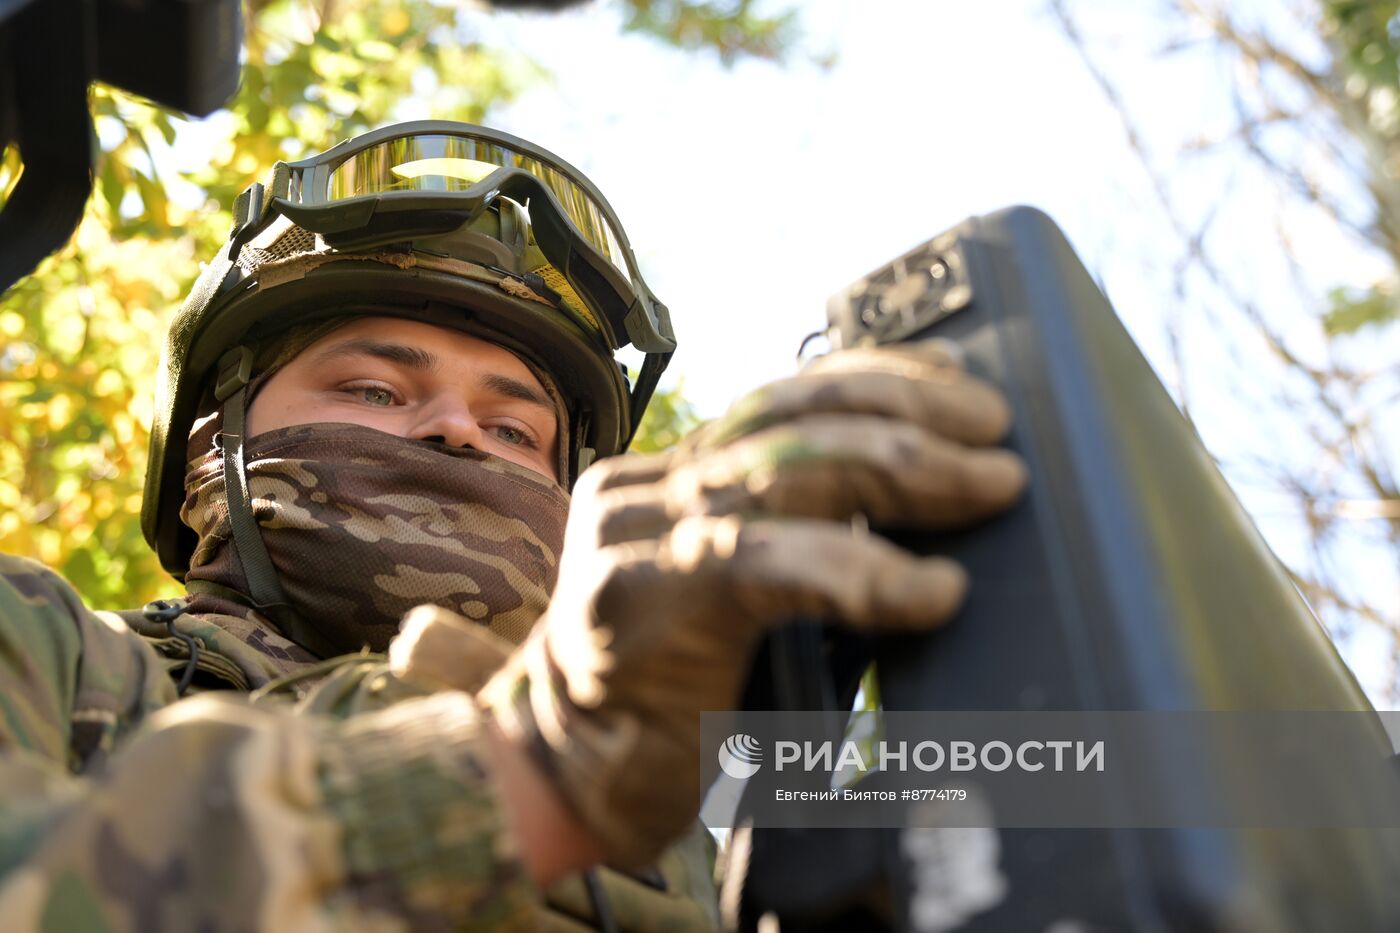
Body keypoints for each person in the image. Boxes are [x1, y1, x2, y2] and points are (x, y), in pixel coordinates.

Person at [0, 121, 1027, 929]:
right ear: (204, 459)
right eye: (372, 390)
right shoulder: (52, 658)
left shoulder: (697, 819)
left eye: (510, 426)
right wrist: (523, 776)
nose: (454, 431)